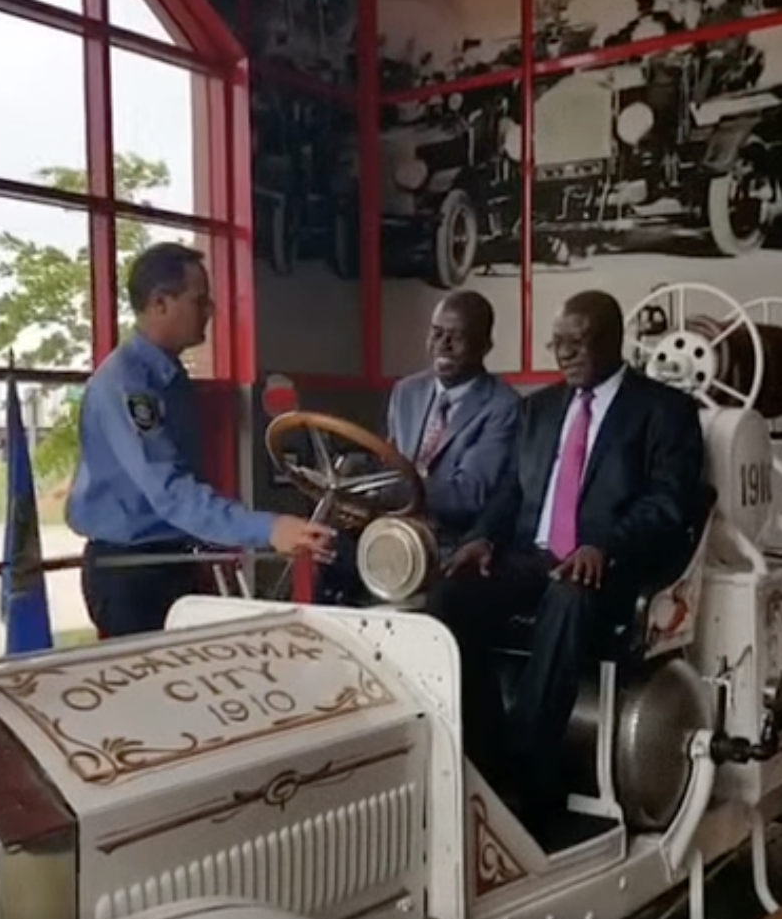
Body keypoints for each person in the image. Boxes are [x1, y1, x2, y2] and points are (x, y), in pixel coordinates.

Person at [426, 290, 708, 834]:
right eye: (557, 343)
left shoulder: (664, 411)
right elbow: (510, 491)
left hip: (610, 565)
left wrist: (605, 547)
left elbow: (669, 504)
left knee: (570, 594)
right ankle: (485, 756)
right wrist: (482, 537)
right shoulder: (539, 408)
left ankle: (528, 770)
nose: (564, 354)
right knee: (449, 596)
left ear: (612, 340)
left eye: (576, 342)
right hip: (532, 558)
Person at [68, 242, 335, 638]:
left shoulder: (168, 377)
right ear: (160, 303)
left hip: (171, 561)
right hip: (131, 575)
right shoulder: (129, 386)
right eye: (200, 301)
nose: (210, 311)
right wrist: (268, 528)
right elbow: (172, 493)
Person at [316, 291, 520, 604]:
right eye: (436, 333)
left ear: (485, 346)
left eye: (457, 337)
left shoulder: (502, 405)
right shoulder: (407, 391)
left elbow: (469, 494)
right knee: (326, 549)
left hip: (447, 540)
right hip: (392, 525)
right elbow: (387, 461)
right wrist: (355, 477)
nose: (443, 345)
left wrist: (385, 492)